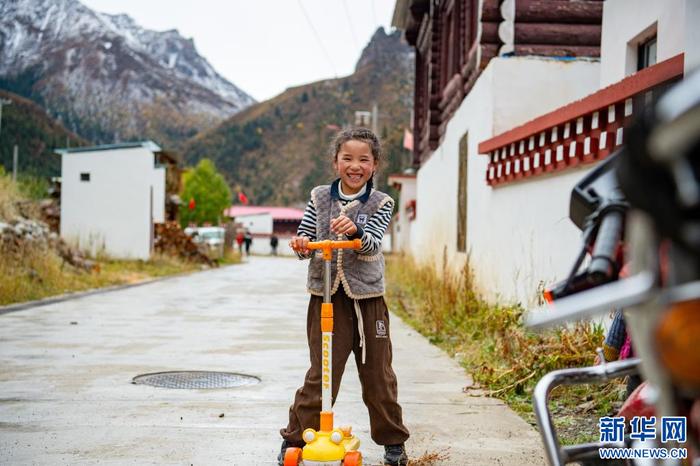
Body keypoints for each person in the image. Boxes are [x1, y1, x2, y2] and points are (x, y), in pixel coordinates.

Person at [278, 128, 409, 466]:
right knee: (322, 373)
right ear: (336, 162)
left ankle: (393, 441)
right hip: (326, 296)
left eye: (363, 159)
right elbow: (306, 235)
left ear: (375, 164)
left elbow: (373, 243)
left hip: (368, 299)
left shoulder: (382, 202)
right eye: (347, 158)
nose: (355, 166)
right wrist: (302, 245)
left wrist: (356, 231)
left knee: (378, 374)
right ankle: (295, 438)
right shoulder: (320, 196)